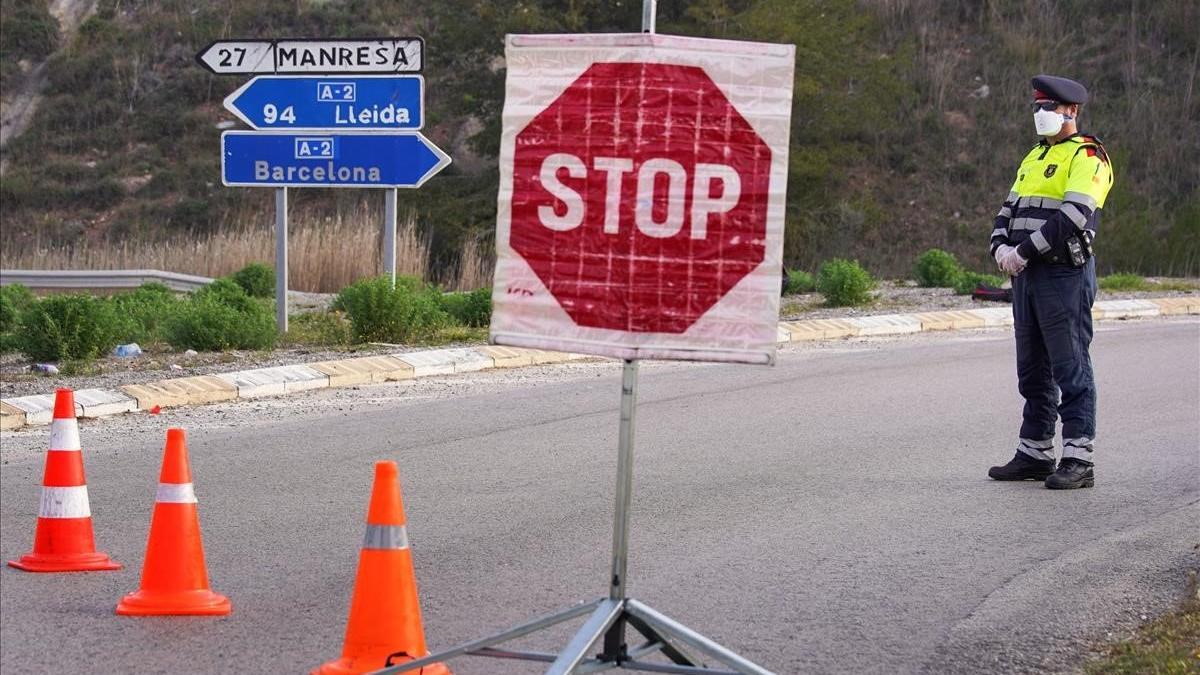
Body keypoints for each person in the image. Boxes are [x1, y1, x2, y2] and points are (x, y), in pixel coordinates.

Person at [987, 74, 1115, 489]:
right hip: (1026, 276)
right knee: (1032, 369)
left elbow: (1074, 216)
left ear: (1071, 111)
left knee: (1070, 365)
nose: (1040, 114)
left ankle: (1079, 458)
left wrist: (1021, 252)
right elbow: (1007, 210)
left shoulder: (1089, 156)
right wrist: (999, 248)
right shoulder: (1033, 156)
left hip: (1064, 274)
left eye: (1049, 108)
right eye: (1036, 108)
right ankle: (1035, 452)